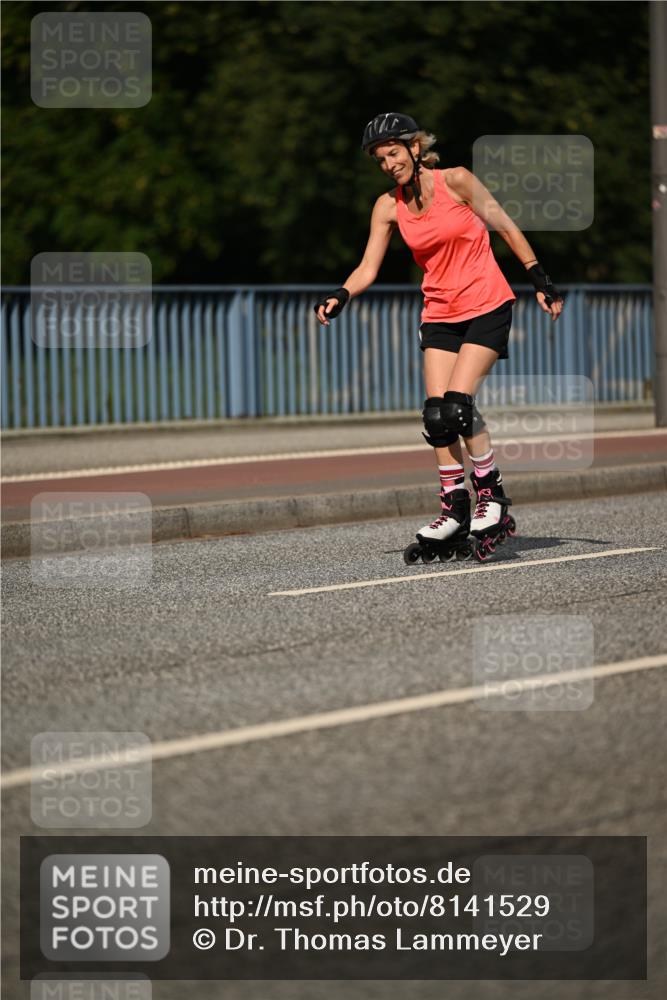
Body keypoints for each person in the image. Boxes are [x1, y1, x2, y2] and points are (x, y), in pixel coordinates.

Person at [314, 112, 563, 561]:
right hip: (440, 313)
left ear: (414, 148)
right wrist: (341, 294)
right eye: (379, 159)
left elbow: (504, 224)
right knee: (436, 417)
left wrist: (539, 278)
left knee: (458, 406)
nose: (388, 164)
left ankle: (492, 498)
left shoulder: (458, 181)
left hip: (487, 303)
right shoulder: (388, 206)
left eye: (393, 153)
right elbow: (368, 267)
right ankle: (454, 508)